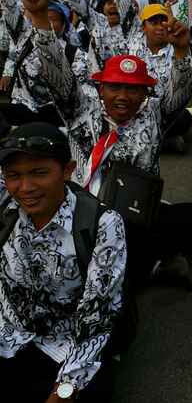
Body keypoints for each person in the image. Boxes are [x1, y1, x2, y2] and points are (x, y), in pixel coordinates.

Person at [0, 122, 127, 403]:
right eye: (13, 176)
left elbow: (98, 316)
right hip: (11, 334)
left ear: (68, 170)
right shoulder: (6, 207)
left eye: (39, 173)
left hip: (69, 343)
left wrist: (64, 390)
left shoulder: (102, 224)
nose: (25, 187)